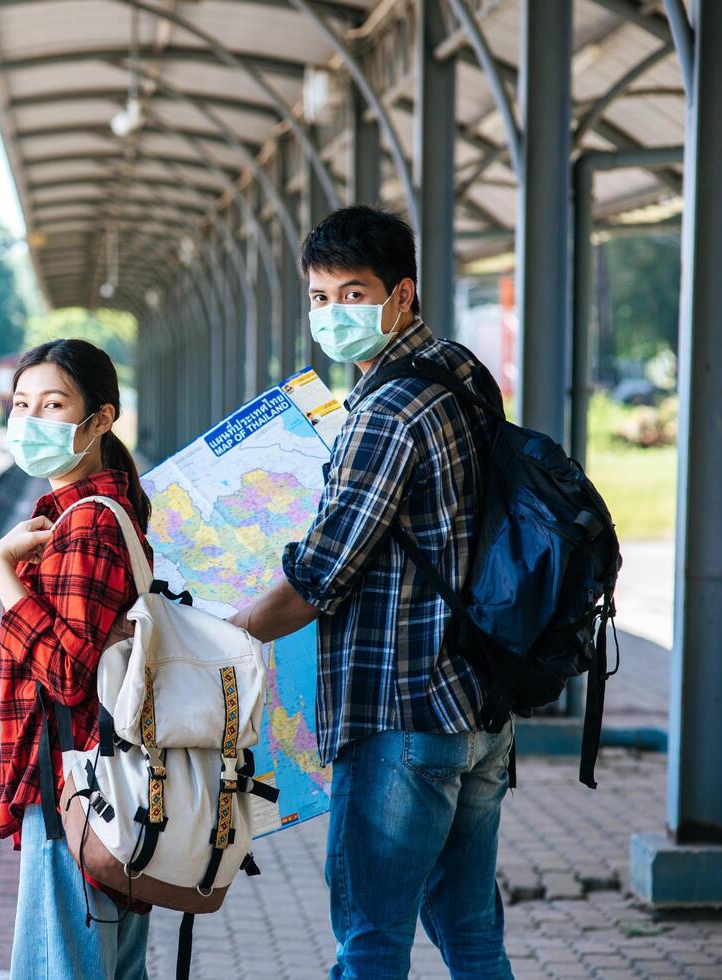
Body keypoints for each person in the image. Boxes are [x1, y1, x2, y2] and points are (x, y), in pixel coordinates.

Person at [229, 206, 515, 979]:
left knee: (369, 941)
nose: (332, 314)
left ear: (401, 295)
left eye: (352, 293)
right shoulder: (459, 371)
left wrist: (225, 637)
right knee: (470, 930)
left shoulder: (384, 412)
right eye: (318, 297)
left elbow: (317, 577)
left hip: (401, 716)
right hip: (478, 708)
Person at [0, 338, 153, 980]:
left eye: (53, 405)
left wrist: (1, 573)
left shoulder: (88, 525)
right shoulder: (93, 514)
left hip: (75, 790)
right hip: (109, 784)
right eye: (21, 404)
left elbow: (65, 673)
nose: (30, 421)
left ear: (102, 418)